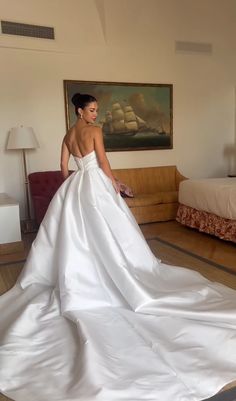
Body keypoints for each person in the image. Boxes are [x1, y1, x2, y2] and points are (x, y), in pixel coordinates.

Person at [0, 93, 236, 401]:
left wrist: (71, 185)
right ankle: (112, 271)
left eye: (97, 110)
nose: (96, 114)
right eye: (92, 109)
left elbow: (61, 166)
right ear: (79, 110)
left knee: (75, 234)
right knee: (111, 231)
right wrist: (114, 184)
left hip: (74, 186)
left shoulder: (68, 134)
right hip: (95, 182)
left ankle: (83, 273)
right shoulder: (94, 132)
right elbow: (103, 162)